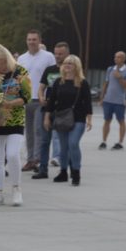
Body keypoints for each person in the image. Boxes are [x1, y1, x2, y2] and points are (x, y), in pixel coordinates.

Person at [0, 44, 32, 207]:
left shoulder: (21, 72)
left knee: (12, 154)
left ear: (6, 59)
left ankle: (17, 189)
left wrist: (8, 103)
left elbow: (27, 97)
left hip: (15, 120)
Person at [44, 55, 93, 186]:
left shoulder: (82, 82)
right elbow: (51, 100)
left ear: (76, 66)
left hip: (78, 118)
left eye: (71, 63)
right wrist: (47, 117)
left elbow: (88, 102)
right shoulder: (59, 81)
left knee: (73, 143)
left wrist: (89, 118)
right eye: (66, 63)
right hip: (61, 118)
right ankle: (63, 172)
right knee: (63, 147)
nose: (67, 65)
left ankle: (76, 172)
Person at [16, 30, 56, 172]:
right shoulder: (21, 58)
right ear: (26, 41)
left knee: (39, 129)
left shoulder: (48, 56)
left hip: (41, 99)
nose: (32, 42)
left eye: (34, 39)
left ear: (39, 41)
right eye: (29, 39)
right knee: (28, 132)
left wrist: (50, 96)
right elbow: (18, 79)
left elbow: (54, 76)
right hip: (26, 100)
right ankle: (30, 159)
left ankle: (38, 160)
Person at [32, 41, 70, 179]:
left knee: (64, 141)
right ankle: (43, 170)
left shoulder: (71, 71)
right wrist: (41, 97)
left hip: (64, 111)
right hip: (47, 109)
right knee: (44, 141)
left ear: (67, 54)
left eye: (61, 54)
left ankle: (64, 170)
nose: (58, 56)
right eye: (56, 54)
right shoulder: (49, 70)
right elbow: (41, 87)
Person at [100, 51, 126, 150]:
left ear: (124, 59)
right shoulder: (110, 69)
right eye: (115, 57)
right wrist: (102, 98)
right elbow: (106, 83)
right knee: (107, 121)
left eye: (118, 57)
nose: (116, 59)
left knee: (121, 121)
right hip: (108, 100)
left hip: (119, 101)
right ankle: (104, 141)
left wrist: (120, 77)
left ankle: (120, 142)